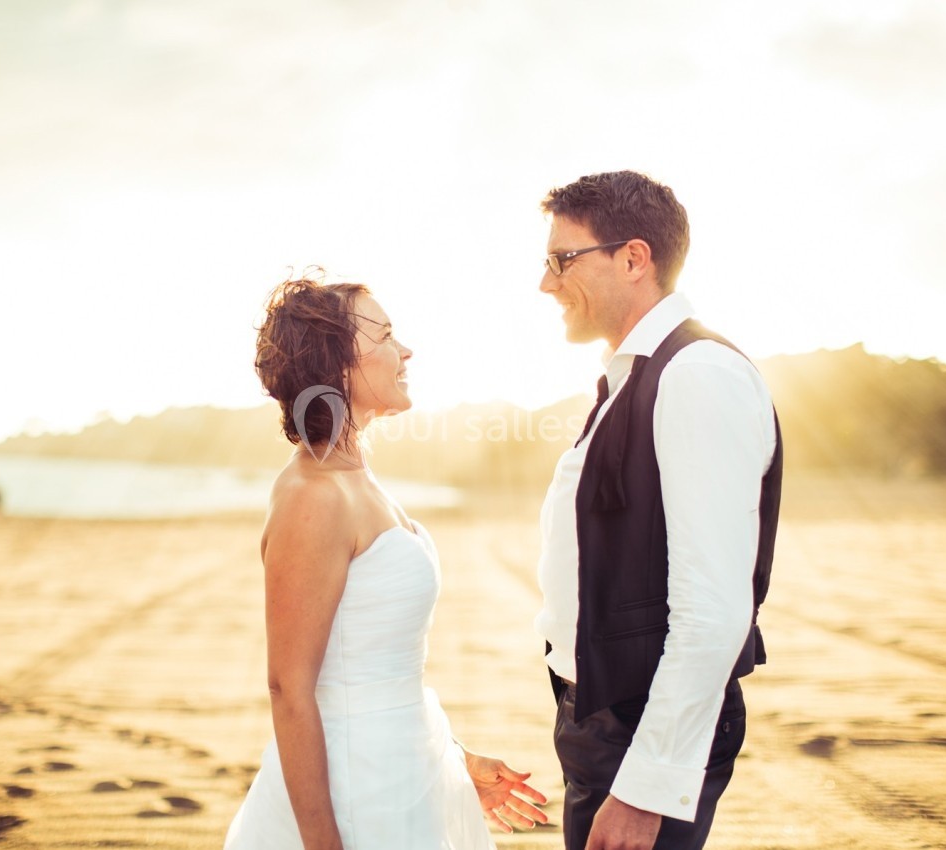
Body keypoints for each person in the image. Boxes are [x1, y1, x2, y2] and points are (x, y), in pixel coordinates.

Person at [224, 276, 548, 849]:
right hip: (354, 798)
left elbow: (376, 668)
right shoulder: (312, 495)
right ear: (337, 362)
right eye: (387, 334)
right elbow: (289, 688)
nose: (406, 351)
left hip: (407, 779)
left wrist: (454, 761)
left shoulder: (356, 476)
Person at [534, 171, 783, 850]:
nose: (546, 283)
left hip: (642, 728)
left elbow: (715, 607)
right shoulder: (635, 376)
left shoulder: (697, 374)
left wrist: (646, 787)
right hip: (606, 720)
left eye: (562, 259)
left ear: (634, 258)